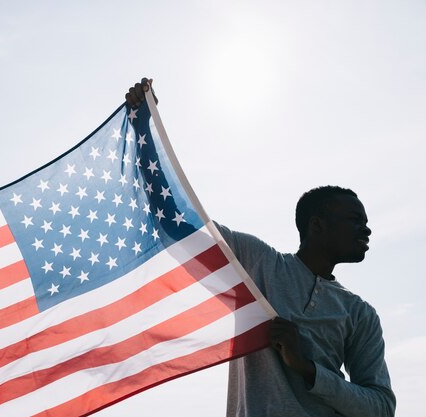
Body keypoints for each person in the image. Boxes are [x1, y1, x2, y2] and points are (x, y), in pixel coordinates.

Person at [126, 79, 395, 416]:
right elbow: (176, 223)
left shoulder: (360, 314)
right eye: (355, 220)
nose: (366, 229)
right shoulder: (257, 264)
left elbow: (382, 408)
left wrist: (308, 368)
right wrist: (143, 130)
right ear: (317, 226)